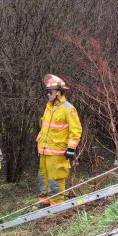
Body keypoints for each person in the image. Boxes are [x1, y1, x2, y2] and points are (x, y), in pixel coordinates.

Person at [36, 74, 82, 207]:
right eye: (47, 92)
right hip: (44, 151)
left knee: (55, 180)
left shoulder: (68, 109)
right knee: (43, 178)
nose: (48, 94)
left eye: (50, 92)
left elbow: (76, 130)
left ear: (58, 92)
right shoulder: (49, 107)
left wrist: (71, 148)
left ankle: (55, 207)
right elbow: (45, 128)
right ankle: (44, 203)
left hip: (58, 153)